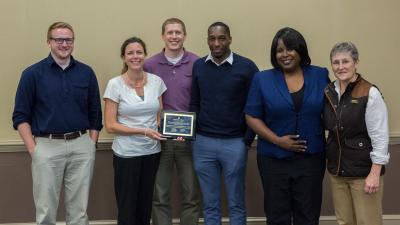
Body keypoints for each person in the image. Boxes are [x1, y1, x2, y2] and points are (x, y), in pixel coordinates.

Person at [12, 21, 102, 225]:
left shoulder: (86, 73)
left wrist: (91, 144)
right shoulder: (32, 74)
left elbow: (95, 113)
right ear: (49, 42)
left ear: (73, 42)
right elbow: (20, 116)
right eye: (59, 39)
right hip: (46, 146)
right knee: (45, 210)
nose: (64, 44)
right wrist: (33, 149)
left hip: (81, 146)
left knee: (79, 211)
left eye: (68, 40)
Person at [245, 27, 329, 225]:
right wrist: (277, 141)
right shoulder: (262, 79)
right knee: (277, 215)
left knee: (308, 214)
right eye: (279, 50)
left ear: (300, 50)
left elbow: (333, 108)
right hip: (274, 159)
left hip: (311, 158)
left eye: (290, 49)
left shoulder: (319, 75)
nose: (285, 54)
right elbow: (251, 116)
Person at [189, 21, 259, 225]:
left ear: (229, 39)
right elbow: (194, 102)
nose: (216, 43)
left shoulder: (247, 67)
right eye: (212, 38)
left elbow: (254, 106)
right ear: (208, 40)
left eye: (221, 38)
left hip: (235, 143)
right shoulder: (199, 66)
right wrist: (192, 135)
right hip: (203, 143)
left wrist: (246, 140)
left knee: (236, 202)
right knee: (210, 204)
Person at [324, 42, 389, 225]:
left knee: (367, 221)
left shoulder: (370, 93)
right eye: (336, 62)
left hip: (364, 173)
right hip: (338, 172)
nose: (341, 67)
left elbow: (380, 137)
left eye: (346, 61)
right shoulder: (329, 92)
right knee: (344, 221)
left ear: (356, 63)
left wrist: (374, 174)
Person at [103, 37, 167, 225]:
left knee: (145, 206)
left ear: (145, 55)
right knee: (127, 207)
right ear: (123, 57)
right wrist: (144, 131)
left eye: (139, 52)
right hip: (126, 154)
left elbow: (159, 114)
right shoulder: (115, 84)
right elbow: (110, 125)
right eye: (130, 53)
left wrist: (171, 131)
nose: (135, 56)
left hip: (152, 152)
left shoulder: (156, 81)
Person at [144, 18, 200, 225]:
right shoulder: (149, 64)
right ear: (163, 36)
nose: (174, 37)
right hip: (161, 139)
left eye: (178, 32)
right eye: (170, 33)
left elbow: (202, 98)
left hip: (189, 140)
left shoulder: (197, 63)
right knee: (160, 194)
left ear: (184, 35)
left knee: (191, 194)